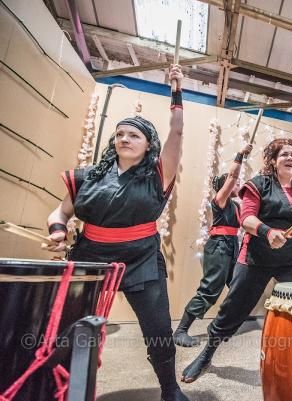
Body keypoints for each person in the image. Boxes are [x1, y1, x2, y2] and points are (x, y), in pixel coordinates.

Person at [44, 65, 189, 401]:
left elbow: (177, 132)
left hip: (141, 257)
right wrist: (57, 230)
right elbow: (61, 211)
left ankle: (170, 388)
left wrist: (177, 91)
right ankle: (65, 387)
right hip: (89, 256)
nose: (125, 138)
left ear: (148, 144)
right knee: (73, 327)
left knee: (157, 329)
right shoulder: (88, 176)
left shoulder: (159, 174)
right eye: (120, 133)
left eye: (134, 135)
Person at [181, 138, 292, 383]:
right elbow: (246, 219)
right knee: (233, 308)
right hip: (258, 256)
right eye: (284, 154)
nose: (290, 158)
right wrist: (267, 232)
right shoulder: (258, 185)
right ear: (274, 161)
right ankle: (206, 355)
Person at [174, 144, 252, 347]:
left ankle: (220, 325)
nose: (237, 185)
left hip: (232, 245)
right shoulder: (219, 200)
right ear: (225, 185)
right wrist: (240, 155)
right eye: (233, 183)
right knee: (210, 288)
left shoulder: (235, 205)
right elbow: (233, 178)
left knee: (238, 285)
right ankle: (181, 330)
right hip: (218, 246)